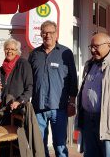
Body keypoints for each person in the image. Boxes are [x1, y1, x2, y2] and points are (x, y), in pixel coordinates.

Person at [28, 20, 78, 157]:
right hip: (38, 108)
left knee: (60, 145)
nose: (47, 35)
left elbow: (73, 79)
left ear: (56, 34)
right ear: (41, 34)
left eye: (51, 32)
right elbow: (28, 80)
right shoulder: (34, 54)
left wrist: (72, 102)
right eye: (44, 32)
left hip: (59, 108)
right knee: (39, 145)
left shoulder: (65, 53)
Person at [0, 38, 33, 121]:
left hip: (18, 109)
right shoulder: (2, 68)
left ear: (17, 51)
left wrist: (19, 101)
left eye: (12, 49)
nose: (9, 51)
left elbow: (30, 87)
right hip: (3, 109)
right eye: (7, 49)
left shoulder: (23, 64)